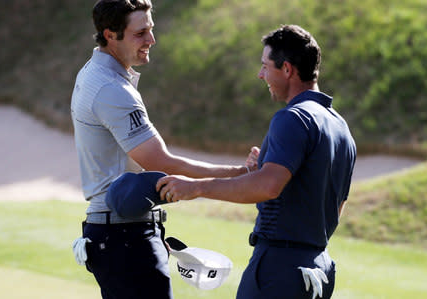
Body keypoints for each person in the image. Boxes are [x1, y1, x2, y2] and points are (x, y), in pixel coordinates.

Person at [156, 25, 357, 298]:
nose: (260, 74)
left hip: (280, 269)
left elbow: (268, 186)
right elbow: (335, 206)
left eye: (265, 66)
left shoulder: (293, 117)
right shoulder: (341, 127)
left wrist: (197, 187)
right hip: (318, 268)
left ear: (287, 69)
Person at [70, 1, 252, 298]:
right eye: (140, 33)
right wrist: (239, 174)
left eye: (151, 29)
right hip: (124, 236)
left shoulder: (93, 75)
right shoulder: (111, 89)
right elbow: (161, 162)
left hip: (118, 233)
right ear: (110, 34)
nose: (151, 40)